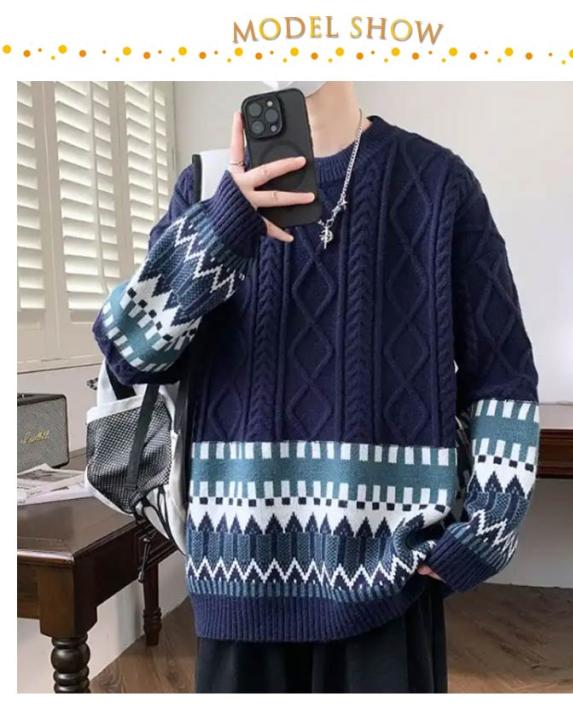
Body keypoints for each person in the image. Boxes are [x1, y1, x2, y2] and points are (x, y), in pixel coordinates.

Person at [93, 81, 540, 693]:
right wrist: (224, 227)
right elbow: (128, 352)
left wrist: (488, 529)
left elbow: (502, 375)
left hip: (390, 581)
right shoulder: (206, 186)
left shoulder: (439, 184)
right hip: (236, 575)